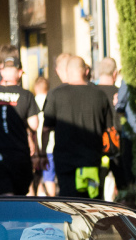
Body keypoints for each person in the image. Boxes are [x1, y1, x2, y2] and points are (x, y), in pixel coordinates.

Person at [42, 55, 115, 200]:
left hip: (65, 163)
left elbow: (46, 129)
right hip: (92, 163)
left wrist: (42, 153)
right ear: (86, 71)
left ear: (67, 72)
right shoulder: (99, 95)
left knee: (69, 204)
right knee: (93, 206)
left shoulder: (55, 95)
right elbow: (108, 128)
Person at [0, 45, 41, 196]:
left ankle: (7, 220)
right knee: (20, 196)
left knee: (5, 195)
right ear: (19, 72)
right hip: (20, 154)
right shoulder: (26, 95)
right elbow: (34, 124)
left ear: (2, 71)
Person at [32, 76, 55, 196]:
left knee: (41, 178)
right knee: (49, 178)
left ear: (35, 88)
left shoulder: (32, 102)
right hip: (52, 145)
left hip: (37, 147)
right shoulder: (52, 101)